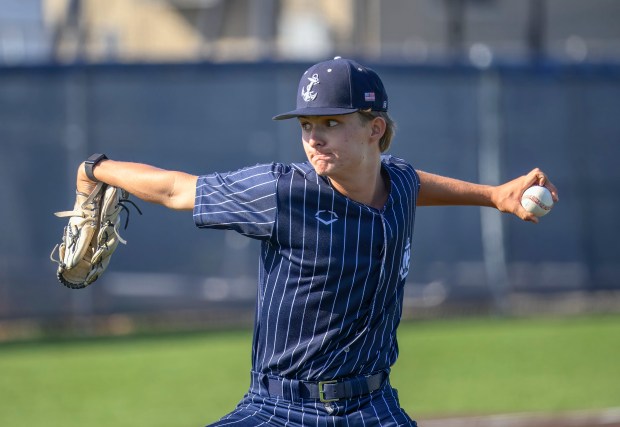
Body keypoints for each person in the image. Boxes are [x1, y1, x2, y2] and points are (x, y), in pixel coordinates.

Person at [74, 57, 558, 426]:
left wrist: (495, 195)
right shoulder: (283, 193)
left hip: (373, 405)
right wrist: (96, 169)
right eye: (307, 126)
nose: (314, 138)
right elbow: (178, 189)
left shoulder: (401, 184)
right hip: (280, 407)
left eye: (331, 123)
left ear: (376, 129)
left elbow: (412, 182)